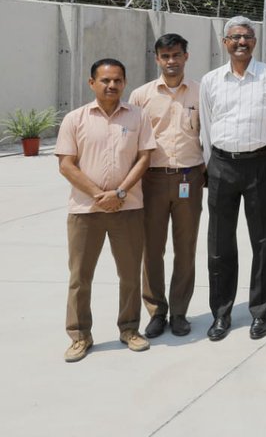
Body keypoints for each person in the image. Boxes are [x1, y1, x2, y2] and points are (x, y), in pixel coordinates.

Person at [56, 58, 156, 362]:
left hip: (129, 208)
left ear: (125, 83)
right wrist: (100, 195)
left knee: (129, 274)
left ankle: (129, 329)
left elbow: (144, 158)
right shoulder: (75, 119)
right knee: (80, 276)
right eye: (105, 80)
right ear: (92, 83)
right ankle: (79, 335)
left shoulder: (138, 117)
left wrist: (121, 192)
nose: (111, 85)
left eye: (117, 80)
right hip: (86, 211)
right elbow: (65, 164)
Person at [200, 16, 266, 341]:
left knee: (263, 241)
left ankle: (260, 312)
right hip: (222, 165)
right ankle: (221, 314)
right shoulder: (210, 80)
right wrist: (211, 166)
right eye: (235, 37)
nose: (241, 42)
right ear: (225, 42)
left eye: (247, 36)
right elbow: (206, 128)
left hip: (260, 165)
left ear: (255, 41)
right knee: (220, 243)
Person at [129, 33, 205, 339]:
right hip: (153, 179)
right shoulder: (141, 96)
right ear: (157, 59)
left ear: (186, 56)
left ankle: (180, 312)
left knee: (185, 249)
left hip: (190, 177)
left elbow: (208, 137)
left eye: (176, 55)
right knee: (152, 249)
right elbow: (132, 141)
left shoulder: (202, 93)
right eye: (165, 56)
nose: (171, 61)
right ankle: (157, 311)